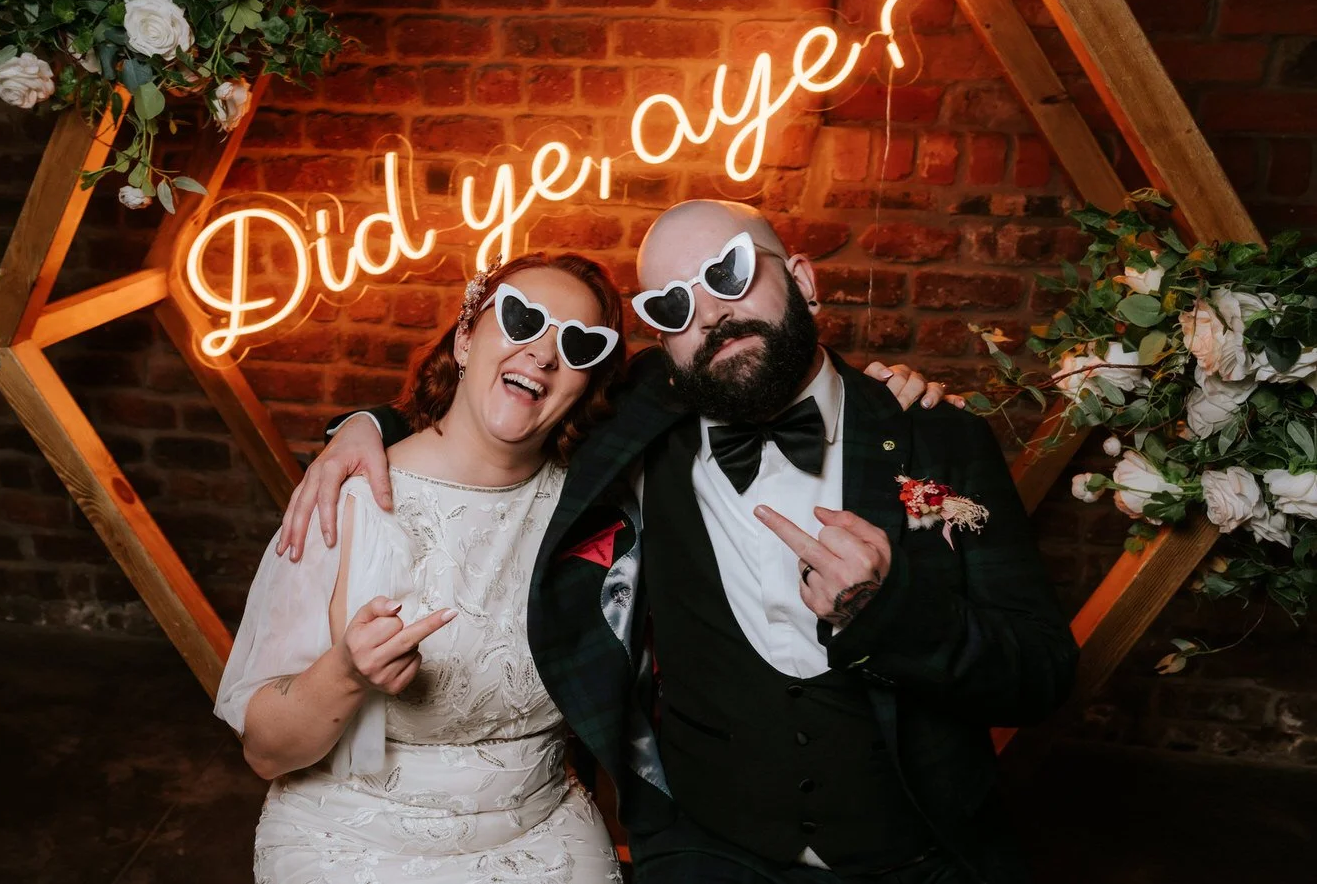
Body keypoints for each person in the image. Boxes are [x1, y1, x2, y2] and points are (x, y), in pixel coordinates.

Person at [289, 200, 1079, 884]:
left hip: (916, 854)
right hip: (707, 850)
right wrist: (366, 428)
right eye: (670, 307)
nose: (707, 314)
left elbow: (1042, 675)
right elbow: (505, 413)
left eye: (730, 275)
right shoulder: (644, 415)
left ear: (801, 278)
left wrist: (893, 609)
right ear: (661, 344)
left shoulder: (936, 438)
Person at [215, 253, 632, 884]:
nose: (543, 355)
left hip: (544, 833)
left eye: (577, 344)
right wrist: (346, 675)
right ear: (465, 339)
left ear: (587, 382)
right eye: (521, 320)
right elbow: (265, 752)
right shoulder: (349, 497)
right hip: (355, 839)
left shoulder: (595, 507)